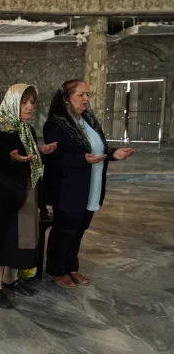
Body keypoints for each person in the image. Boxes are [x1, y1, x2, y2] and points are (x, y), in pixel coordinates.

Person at [43, 79, 134, 288]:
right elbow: (54, 157)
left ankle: (71, 266)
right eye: (80, 94)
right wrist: (81, 159)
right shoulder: (55, 124)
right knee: (65, 230)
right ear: (67, 98)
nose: (86, 99)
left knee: (80, 228)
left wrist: (114, 154)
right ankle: (56, 270)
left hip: (91, 184)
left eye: (87, 94)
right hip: (68, 187)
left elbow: (98, 149)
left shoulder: (89, 120)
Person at [0, 84, 57, 309]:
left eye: (32, 102)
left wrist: (41, 153)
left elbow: (27, 159)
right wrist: (10, 159)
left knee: (17, 240)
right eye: (24, 102)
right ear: (12, 102)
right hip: (1, 194)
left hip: (23, 191)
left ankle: (10, 280)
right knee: (0, 239)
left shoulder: (26, 129)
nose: (30, 106)